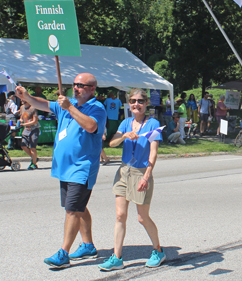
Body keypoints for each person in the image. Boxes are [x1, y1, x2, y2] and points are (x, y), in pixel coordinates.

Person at [15, 73, 107, 268]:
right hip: (65, 168)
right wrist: (27, 97)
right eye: (74, 84)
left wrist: (70, 107)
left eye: (81, 85)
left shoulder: (96, 107)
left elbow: (91, 126)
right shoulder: (67, 103)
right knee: (77, 206)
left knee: (72, 208)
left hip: (82, 167)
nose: (76, 88)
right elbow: (44, 104)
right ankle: (88, 245)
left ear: (92, 89)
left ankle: (63, 252)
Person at [99, 89, 165, 271]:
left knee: (142, 218)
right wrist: (123, 136)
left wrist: (147, 175)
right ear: (129, 103)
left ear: (146, 103)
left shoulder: (153, 123)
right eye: (133, 101)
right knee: (120, 216)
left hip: (141, 172)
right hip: (123, 172)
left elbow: (154, 151)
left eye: (140, 101)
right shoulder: (126, 122)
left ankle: (158, 250)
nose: (137, 104)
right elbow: (111, 143)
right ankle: (117, 257)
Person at [19, 99, 40, 170]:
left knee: (32, 147)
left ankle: (34, 164)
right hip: (26, 129)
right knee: (23, 145)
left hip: (34, 129)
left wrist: (24, 124)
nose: (22, 100)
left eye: (23, 98)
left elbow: (35, 121)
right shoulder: (22, 107)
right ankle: (34, 158)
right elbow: (21, 118)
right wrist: (20, 121)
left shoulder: (33, 108)